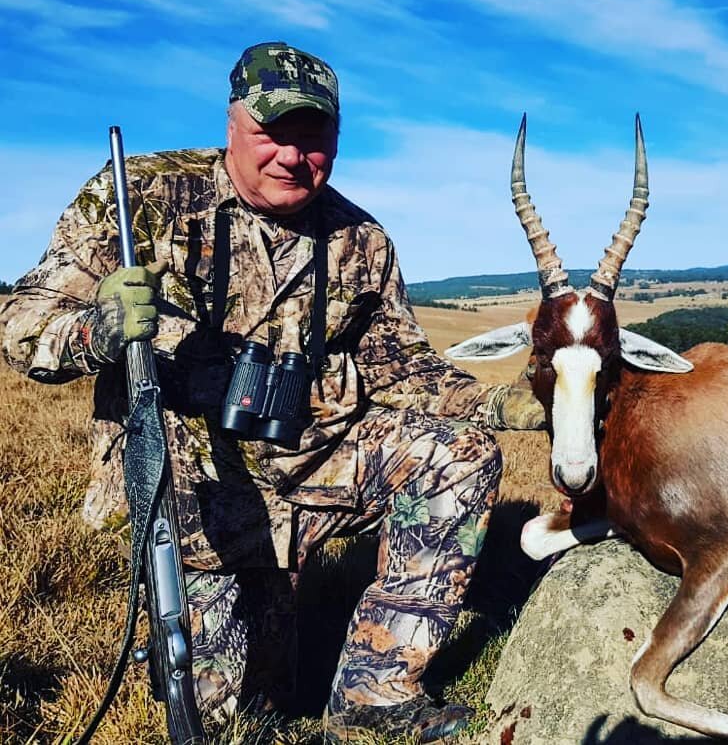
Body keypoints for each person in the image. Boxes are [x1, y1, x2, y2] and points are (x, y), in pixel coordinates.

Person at [0, 41, 545, 742]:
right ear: (232, 124)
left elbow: (404, 367)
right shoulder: (142, 196)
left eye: (312, 135)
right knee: (234, 714)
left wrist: (498, 406)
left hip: (308, 462)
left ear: (338, 138)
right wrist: (98, 330)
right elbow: (21, 324)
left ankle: (376, 695)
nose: (292, 154)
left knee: (461, 452)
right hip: (189, 482)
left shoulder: (363, 239)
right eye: (272, 132)